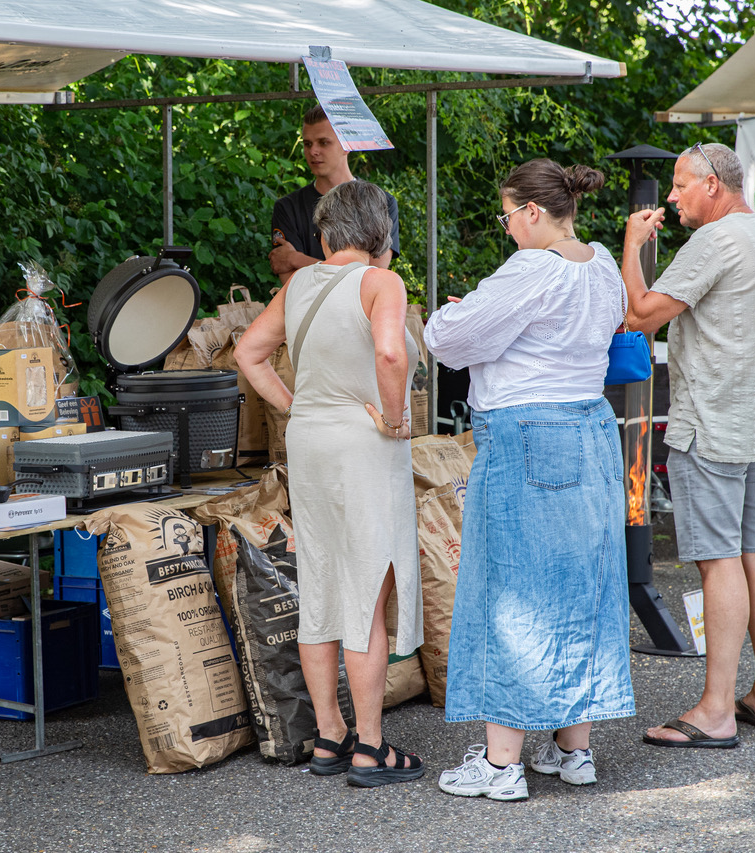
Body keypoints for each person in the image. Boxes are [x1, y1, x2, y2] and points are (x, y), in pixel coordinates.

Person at [425, 159, 635, 801]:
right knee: (581, 585)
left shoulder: (530, 268)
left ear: (534, 212)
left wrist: (460, 314)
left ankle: (500, 766)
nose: (507, 228)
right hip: (592, 429)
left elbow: (449, 340)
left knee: (510, 591)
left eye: (508, 215)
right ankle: (574, 751)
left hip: (526, 434)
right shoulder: (600, 263)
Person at [623, 142, 755, 748]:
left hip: (710, 426)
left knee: (718, 561)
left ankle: (715, 711)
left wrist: (632, 245)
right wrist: (753, 378)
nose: (672, 197)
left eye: (680, 186)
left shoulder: (713, 242)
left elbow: (642, 314)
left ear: (712, 184)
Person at [236, 179, 424, 787]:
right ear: (381, 235)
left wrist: (296, 405)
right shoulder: (381, 283)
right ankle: (371, 747)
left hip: (310, 441)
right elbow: (391, 356)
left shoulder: (297, 285)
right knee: (365, 586)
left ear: (322, 235)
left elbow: (247, 353)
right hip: (363, 444)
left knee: (320, 582)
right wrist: (395, 420)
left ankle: (328, 736)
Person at [269, 104, 400, 284]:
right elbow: (291, 283)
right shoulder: (288, 207)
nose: (313, 151)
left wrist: (297, 259)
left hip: (360, 312)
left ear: (347, 144)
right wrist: (349, 273)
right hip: (307, 311)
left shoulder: (382, 202)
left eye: (323, 142)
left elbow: (371, 277)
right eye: (307, 144)